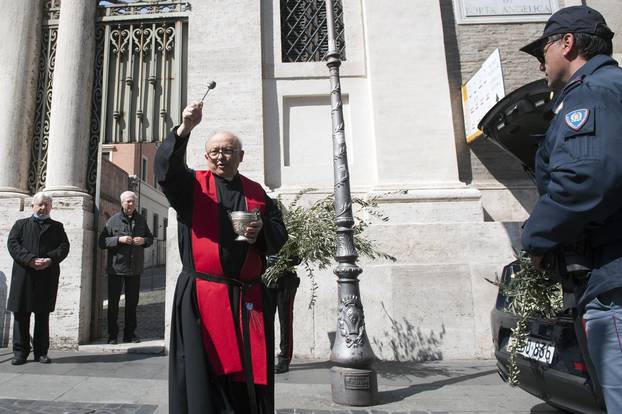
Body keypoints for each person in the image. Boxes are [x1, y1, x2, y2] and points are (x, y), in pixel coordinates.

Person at [155, 101, 288, 414]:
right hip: (201, 297)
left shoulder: (258, 193)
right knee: (204, 376)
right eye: (214, 150)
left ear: (240, 156)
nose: (220, 156)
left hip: (247, 298)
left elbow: (280, 238)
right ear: (205, 156)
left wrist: (262, 233)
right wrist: (185, 128)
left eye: (228, 150)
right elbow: (165, 169)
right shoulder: (191, 188)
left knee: (248, 377)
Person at [520, 5, 622, 412]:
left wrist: (536, 240)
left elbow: (583, 180)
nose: (541, 60)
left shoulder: (593, 93)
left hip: (613, 278)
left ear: (568, 43)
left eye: (543, 47)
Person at [7, 192, 70, 365]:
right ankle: (20, 352)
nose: (43, 208)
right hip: (24, 275)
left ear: (51, 207)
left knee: (42, 315)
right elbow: (13, 244)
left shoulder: (57, 227)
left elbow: (64, 247)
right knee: (21, 314)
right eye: (40, 204)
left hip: (46, 275)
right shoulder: (21, 225)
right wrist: (30, 260)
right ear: (33, 206)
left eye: (47, 205)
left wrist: (49, 259)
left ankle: (41, 352)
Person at [98, 191, 153, 344]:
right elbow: (102, 242)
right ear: (122, 203)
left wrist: (144, 241)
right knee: (113, 305)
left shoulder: (141, 220)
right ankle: (112, 335)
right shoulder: (113, 220)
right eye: (128, 201)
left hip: (135, 269)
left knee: (131, 304)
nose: (131, 204)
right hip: (116, 269)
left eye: (133, 202)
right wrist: (119, 239)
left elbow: (150, 239)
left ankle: (130, 334)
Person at [265, 255, 300, 374]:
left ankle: (284, 358)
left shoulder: (292, 236)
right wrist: (266, 259)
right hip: (267, 281)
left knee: (285, 321)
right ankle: (266, 357)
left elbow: (298, 258)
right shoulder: (262, 236)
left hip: (286, 282)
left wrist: (286, 260)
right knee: (266, 321)